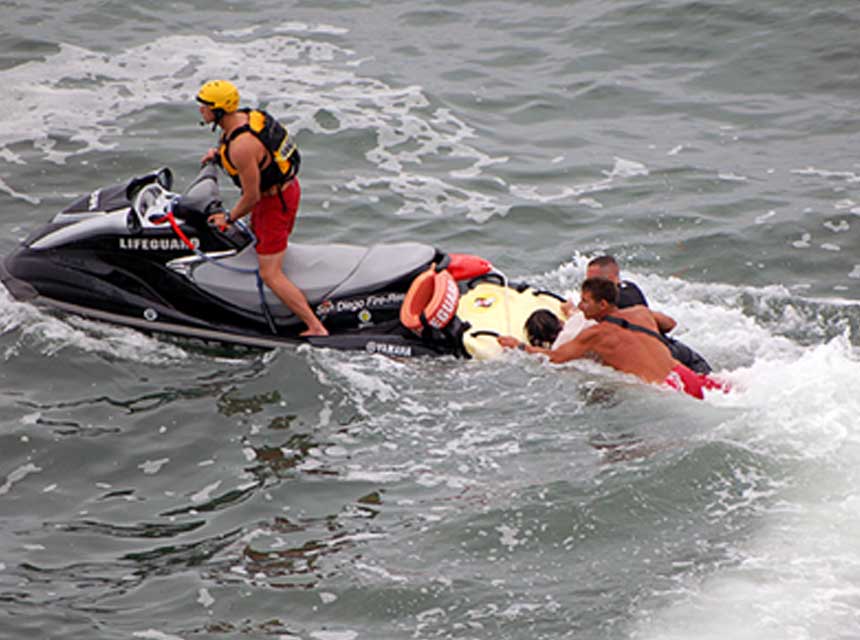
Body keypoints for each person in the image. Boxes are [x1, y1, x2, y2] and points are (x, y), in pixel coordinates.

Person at [196, 79, 328, 337]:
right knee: (260, 244)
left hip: (274, 203)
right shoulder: (244, 118)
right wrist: (217, 155)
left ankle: (315, 326)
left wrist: (228, 218)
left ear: (219, 110)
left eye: (205, 106)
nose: (201, 110)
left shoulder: (242, 147)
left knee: (270, 273)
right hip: (283, 191)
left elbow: (252, 196)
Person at [499, 278, 727, 400]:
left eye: (585, 301)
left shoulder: (594, 335)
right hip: (684, 374)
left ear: (603, 305)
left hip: (668, 391)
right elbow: (670, 323)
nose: (580, 305)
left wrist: (519, 346)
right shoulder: (640, 312)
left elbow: (556, 358)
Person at [561, 255, 711, 373]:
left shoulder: (617, 303)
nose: (589, 286)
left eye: (595, 281)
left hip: (672, 358)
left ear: (613, 279)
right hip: (675, 350)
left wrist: (571, 312)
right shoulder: (630, 288)